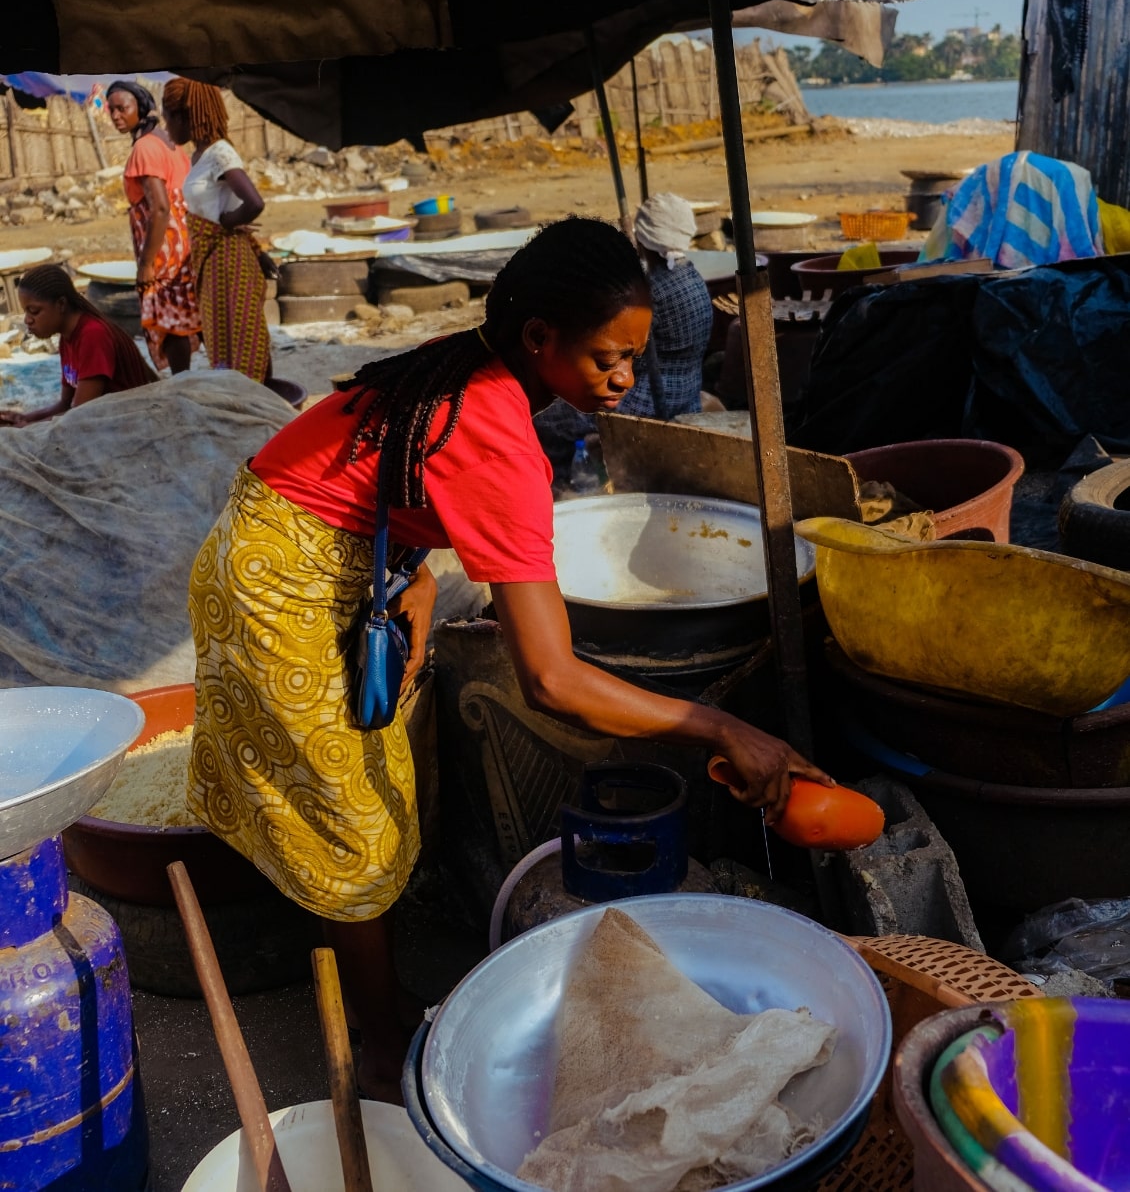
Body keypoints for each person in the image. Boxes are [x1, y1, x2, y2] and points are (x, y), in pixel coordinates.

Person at [186, 216, 830, 1102]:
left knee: (358, 780)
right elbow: (553, 680)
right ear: (539, 339)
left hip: (291, 535)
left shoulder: (475, 360)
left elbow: (398, 467)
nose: (626, 378)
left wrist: (409, 572)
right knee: (352, 818)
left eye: (635, 358)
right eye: (609, 357)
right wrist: (720, 725)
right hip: (279, 578)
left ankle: (365, 979)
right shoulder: (498, 434)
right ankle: (375, 1050)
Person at [535, 192, 714, 482]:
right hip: (687, 394)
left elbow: (618, 358)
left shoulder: (650, 294)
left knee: (549, 417)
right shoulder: (692, 277)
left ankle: (562, 483)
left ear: (644, 240)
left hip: (650, 403)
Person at [162, 78, 273, 383]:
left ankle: (252, 408)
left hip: (230, 259)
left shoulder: (219, 153)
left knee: (242, 341)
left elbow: (253, 202)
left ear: (186, 116)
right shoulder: (199, 155)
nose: (167, 126)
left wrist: (228, 221)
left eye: (168, 117)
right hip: (214, 261)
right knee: (222, 342)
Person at [106, 80, 201, 374]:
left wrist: (146, 264)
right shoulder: (166, 141)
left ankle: (181, 381)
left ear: (142, 107)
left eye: (122, 108)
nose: (115, 115)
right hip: (182, 240)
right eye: (111, 110)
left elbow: (160, 207)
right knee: (182, 313)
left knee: (167, 318)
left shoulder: (145, 148)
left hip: (164, 246)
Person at [0, 264, 156, 426]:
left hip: (128, 422)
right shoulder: (66, 338)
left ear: (61, 304)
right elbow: (65, 405)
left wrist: (29, 428)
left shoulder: (93, 336)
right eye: (26, 312)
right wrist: (24, 418)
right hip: (99, 419)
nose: (27, 320)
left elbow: (79, 415)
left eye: (34, 311)